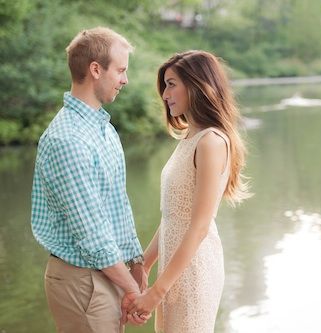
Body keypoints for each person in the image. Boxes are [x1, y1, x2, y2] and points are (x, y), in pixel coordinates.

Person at [30, 27, 150, 333]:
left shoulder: (104, 130)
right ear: (95, 69)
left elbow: (117, 208)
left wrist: (136, 264)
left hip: (107, 273)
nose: (125, 80)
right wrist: (133, 290)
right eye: (121, 70)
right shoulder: (67, 140)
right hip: (82, 280)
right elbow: (93, 236)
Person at [123, 50, 251, 332]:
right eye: (164, 86)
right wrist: (143, 266)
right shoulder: (189, 138)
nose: (165, 94)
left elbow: (199, 226)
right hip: (175, 267)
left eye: (171, 84)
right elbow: (172, 216)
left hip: (194, 269)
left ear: (196, 85)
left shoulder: (211, 142)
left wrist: (156, 292)